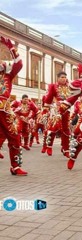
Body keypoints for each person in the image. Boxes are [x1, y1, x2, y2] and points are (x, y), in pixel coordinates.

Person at [0, 35, 27, 175]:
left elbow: (19, 63)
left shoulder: (8, 76)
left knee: (14, 136)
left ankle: (15, 167)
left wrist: (11, 47)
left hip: (4, 110)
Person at [41, 71, 71, 157]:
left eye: (65, 77)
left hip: (67, 109)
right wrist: (45, 110)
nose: (63, 79)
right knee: (54, 127)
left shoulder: (69, 87)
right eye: (61, 77)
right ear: (57, 78)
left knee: (66, 129)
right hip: (56, 109)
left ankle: (66, 149)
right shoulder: (53, 86)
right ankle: (49, 146)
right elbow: (49, 97)